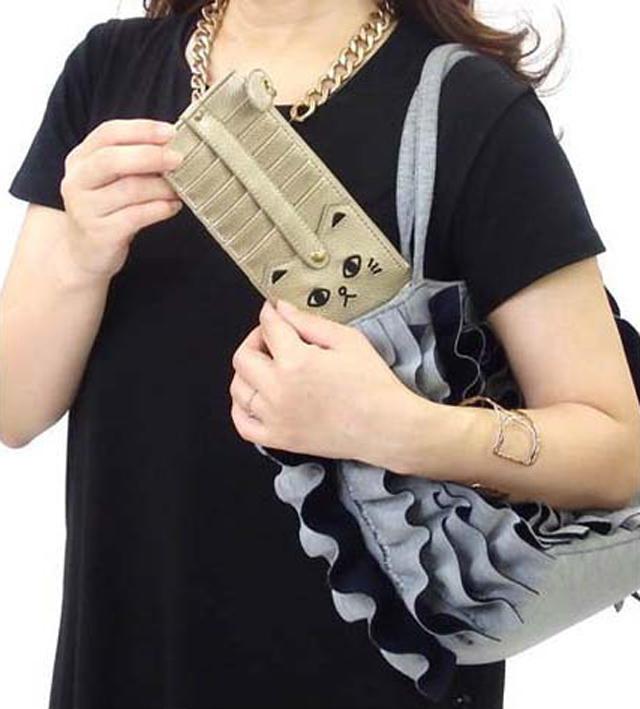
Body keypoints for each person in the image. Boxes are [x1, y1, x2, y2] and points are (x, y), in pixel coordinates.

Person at [2, 1, 638, 708]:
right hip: (124, 667)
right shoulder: (109, 72)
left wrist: (400, 428)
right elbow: (13, 409)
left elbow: (617, 452)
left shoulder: (471, 111)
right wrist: (78, 257)